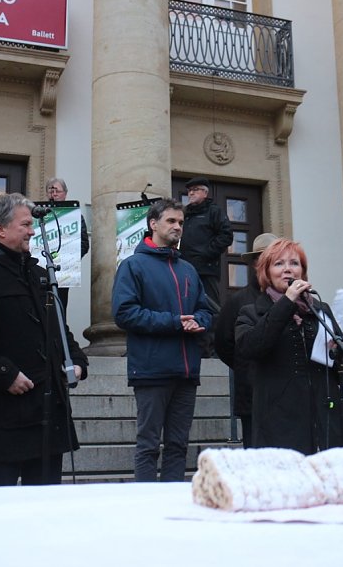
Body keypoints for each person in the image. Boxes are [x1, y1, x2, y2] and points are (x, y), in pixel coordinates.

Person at [0, 193, 88, 486]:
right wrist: (4, 373)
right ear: (0, 229)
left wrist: (77, 360)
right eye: (24, 224)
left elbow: (58, 325)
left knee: (46, 505)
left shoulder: (38, 273)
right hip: (6, 408)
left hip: (50, 408)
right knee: (1, 504)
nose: (32, 231)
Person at [112, 198, 212, 482]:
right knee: (148, 446)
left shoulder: (188, 270)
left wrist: (199, 322)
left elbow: (204, 309)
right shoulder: (133, 266)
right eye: (171, 221)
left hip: (187, 372)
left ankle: (173, 506)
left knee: (179, 446)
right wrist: (174, 322)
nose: (178, 227)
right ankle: (145, 511)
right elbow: (124, 313)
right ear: (153, 224)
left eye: (181, 222)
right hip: (151, 370)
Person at [235, 238, 343, 455]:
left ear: (303, 271)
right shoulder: (251, 312)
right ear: (266, 272)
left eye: (294, 263)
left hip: (326, 420)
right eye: (279, 264)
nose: (287, 270)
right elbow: (250, 348)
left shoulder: (320, 310)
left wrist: (339, 355)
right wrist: (286, 302)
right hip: (279, 422)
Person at [214, 232, 278, 448]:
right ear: (255, 263)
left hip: (286, 397)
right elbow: (223, 343)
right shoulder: (239, 301)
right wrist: (246, 363)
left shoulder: (293, 298)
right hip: (252, 393)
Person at [179, 177, 232, 357]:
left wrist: (205, 253)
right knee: (187, 308)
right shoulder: (184, 214)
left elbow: (226, 236)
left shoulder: (214, 212)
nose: (191, 193)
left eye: (195, 189)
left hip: (205, 270)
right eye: (189, 190)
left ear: (205, 192)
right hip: (184, 269)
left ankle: (214, 349)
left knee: (211, 309)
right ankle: (194, 347)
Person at [46, 177, 89, 312]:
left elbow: (84, 243)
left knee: (60, 308)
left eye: (57, 191)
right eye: (50, 190)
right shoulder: (39, 215)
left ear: (65, 193)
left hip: (63, 272)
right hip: (41, 270)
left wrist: (70, 260)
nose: (54, 194)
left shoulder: (75, 216)